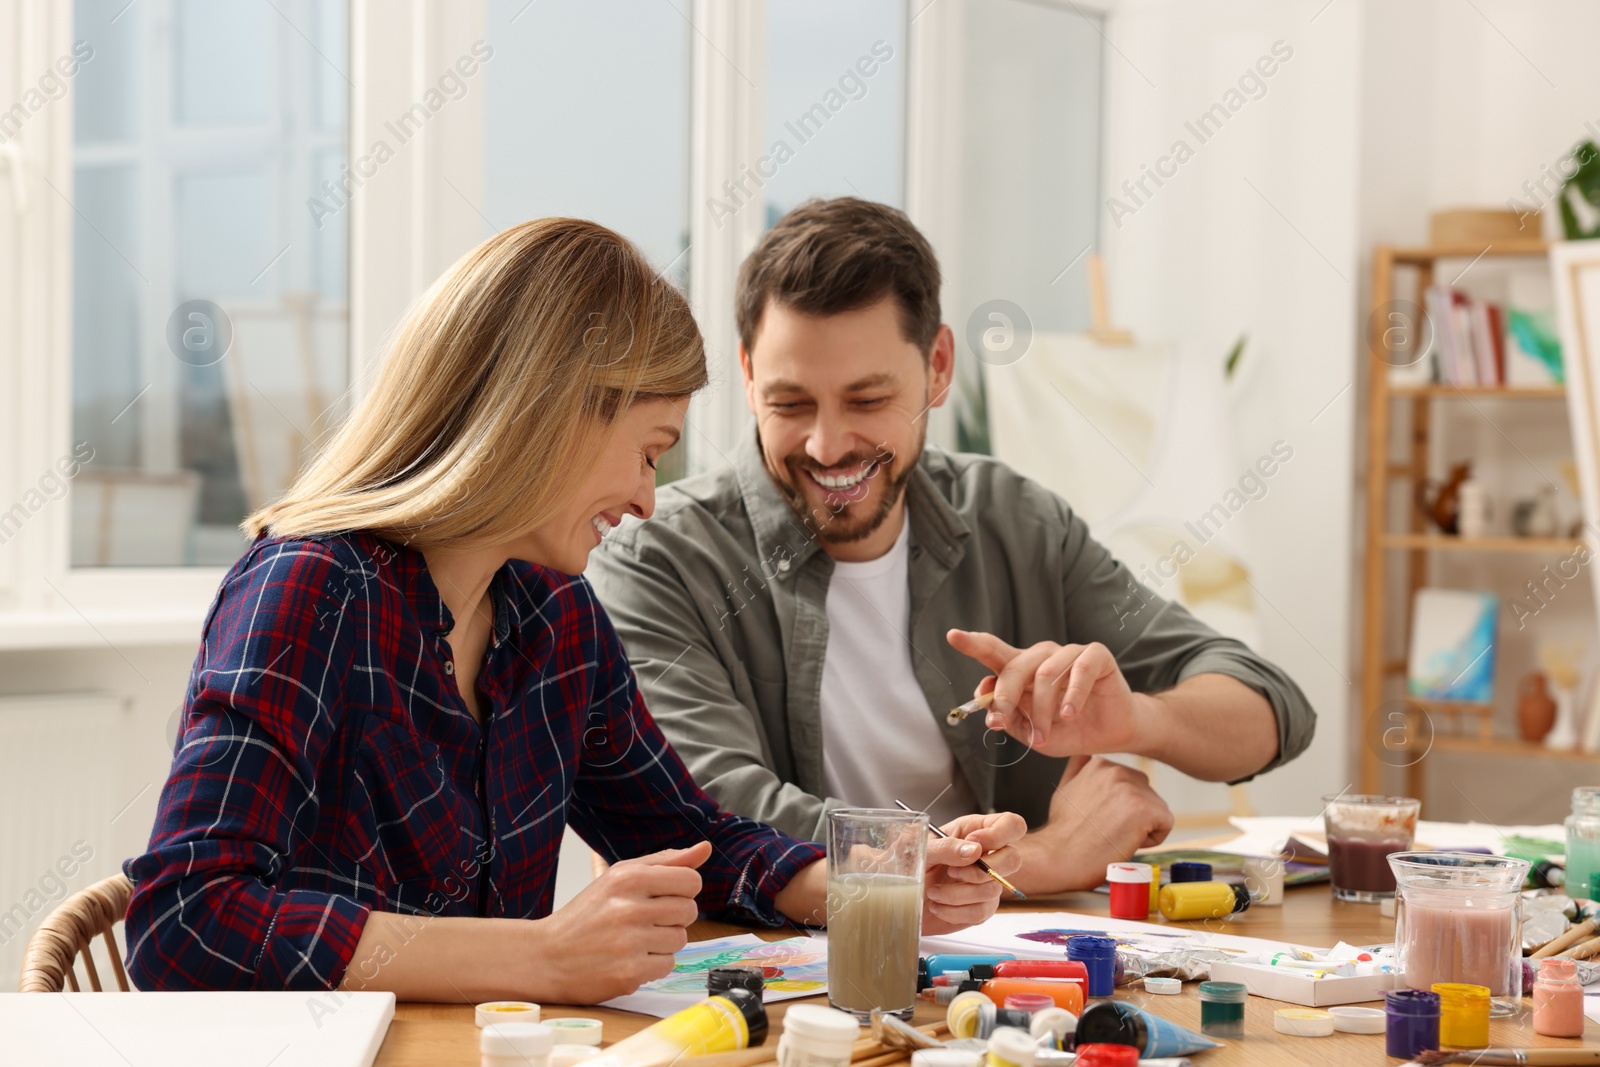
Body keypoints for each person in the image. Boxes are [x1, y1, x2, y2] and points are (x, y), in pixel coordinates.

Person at [123, 218, 1024, 1004]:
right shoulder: (310, 587)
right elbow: (188, 920)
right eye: (645, 452)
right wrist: (539, 955)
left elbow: (688, 834)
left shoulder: (557, 619)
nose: (646, 499)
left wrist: (872, 879)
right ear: (547, 416)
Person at [588, 198, 1316, 895]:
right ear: (747, 377)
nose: (827, 442)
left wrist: (1137, 720)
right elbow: (712, 816)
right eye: (791, 402)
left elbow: (1271, 709)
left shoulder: (1013, 519)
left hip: (1005, 982)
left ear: (937, 367)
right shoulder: (656, 557)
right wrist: (1038, 857)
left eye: (868, 400)